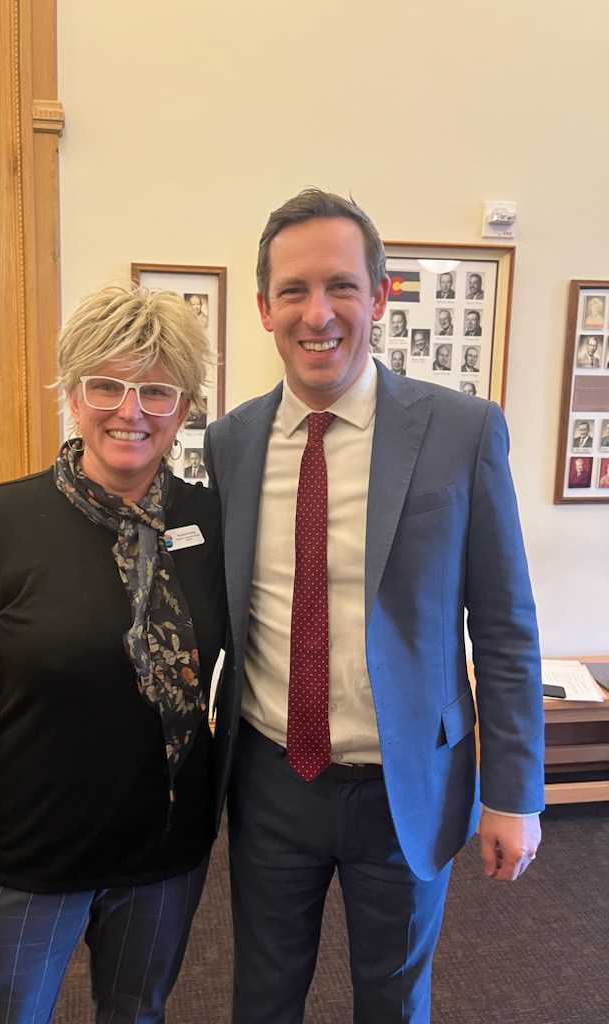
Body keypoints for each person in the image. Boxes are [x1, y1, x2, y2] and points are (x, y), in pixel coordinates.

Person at [204, 189, 543, 1024]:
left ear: (380, 295)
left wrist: (515, 793)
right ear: (263, 308)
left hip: (408, 784)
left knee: (392, 1000)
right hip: (272, 779)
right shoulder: (232, 443)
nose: (317, 313)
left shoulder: (462, 432)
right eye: (293, 291)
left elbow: (504, 629)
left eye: (341, 286)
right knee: (263, 996)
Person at [0, 284, 226, 1024]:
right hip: (31, 860)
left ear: (184, 406)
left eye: (157, 389)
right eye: (106, 385)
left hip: (163, 854)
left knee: (136, 1014)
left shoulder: (213, 524)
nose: (132, 410)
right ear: (72, 394)